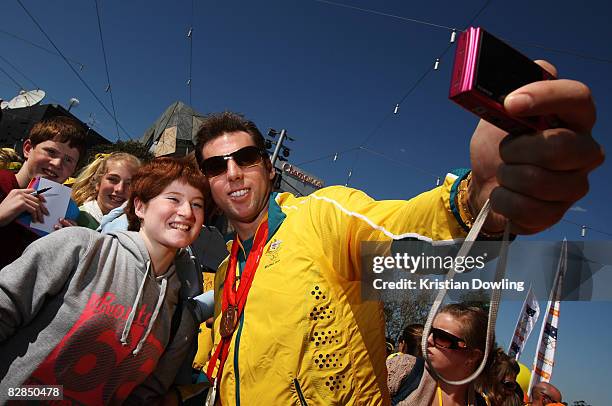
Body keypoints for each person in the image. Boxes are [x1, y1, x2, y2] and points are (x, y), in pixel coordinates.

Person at [193, 60, 604, 404]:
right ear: (207, 181)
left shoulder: (321, 219)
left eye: (245, 158)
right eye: (216, 166)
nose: (232, 173)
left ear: (268, 166)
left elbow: (402, 235)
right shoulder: (231, 265)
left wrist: (475, 202)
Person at [0, 157, 209, 404]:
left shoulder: (179, 316)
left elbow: (144, 397)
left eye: (197, 204)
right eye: (173, 198)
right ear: (140, 207)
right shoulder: (80, 247)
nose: (187, 212)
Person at [0, 116, 87, 268]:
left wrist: (65, 248)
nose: (57, 163)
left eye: (68, 160)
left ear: (74, 169)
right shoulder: (2, 182)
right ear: (27, 149)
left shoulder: (67, 213)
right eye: (51, 152)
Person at [387, 304, 491, 406]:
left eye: (442, 337)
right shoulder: (402, 368)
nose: (428, 340)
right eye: (429, 331)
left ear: (472, 356)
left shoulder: (482, 403)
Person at [71, 152, 142, 230]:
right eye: (113, 179)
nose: (120, 189)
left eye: (129, 184)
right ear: (98, 183)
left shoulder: (135, 228)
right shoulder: (74, 218)